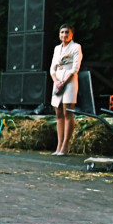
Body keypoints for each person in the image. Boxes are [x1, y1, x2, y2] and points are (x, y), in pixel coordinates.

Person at [49, 24, 81, 155]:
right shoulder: (57, 48)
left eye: (67, 32)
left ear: (72, 34)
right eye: (62, 32)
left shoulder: (76, 47)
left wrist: (64, 81)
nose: (64, 35)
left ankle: (65, 145)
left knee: (68, 112)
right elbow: (52, 68)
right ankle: (58, 144)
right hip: (57, 80)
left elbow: (75, 68)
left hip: (69, 79)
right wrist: (56, 81)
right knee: (58, 113)